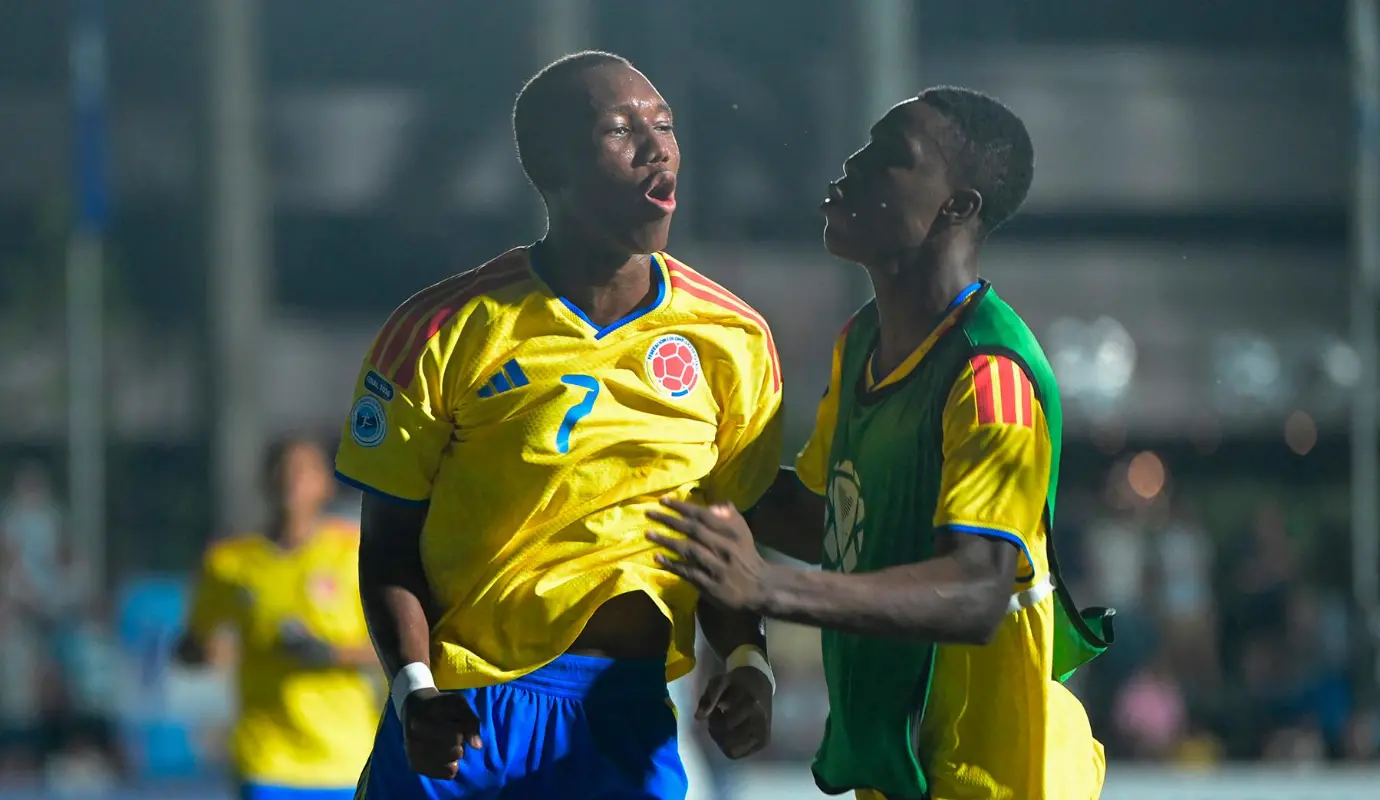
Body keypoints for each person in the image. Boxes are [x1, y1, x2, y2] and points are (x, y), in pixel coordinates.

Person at [335, 51, 780, 800]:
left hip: (626, 719)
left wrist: (749, 662)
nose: (657, 146)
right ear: (550, 165)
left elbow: (727, 538)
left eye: (665, 126)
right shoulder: (444, 327)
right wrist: (414, 691)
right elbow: (386, 544)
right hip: (466, 721)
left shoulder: (733, 339)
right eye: (622, 130)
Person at [647, 87, 1114, 800]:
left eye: (890, 155)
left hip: (992, 780)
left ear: (956, 206)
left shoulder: (991, 375)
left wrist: (770, 587)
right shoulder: (864, 340)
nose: (851, 166)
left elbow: (977, 590)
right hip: (907, 779)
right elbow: (834, 523)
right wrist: (668, 455)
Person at [178, 438, 378, 800]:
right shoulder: (229, 563)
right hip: (267, 759)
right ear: (265, 480)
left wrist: (331, 654)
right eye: (283, 469)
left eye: (304, 470)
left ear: (325, 483)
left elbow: (395, 648)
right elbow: (189, 646)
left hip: (344, 759)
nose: (292, 479)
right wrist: (205, 651)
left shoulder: (354, 553)